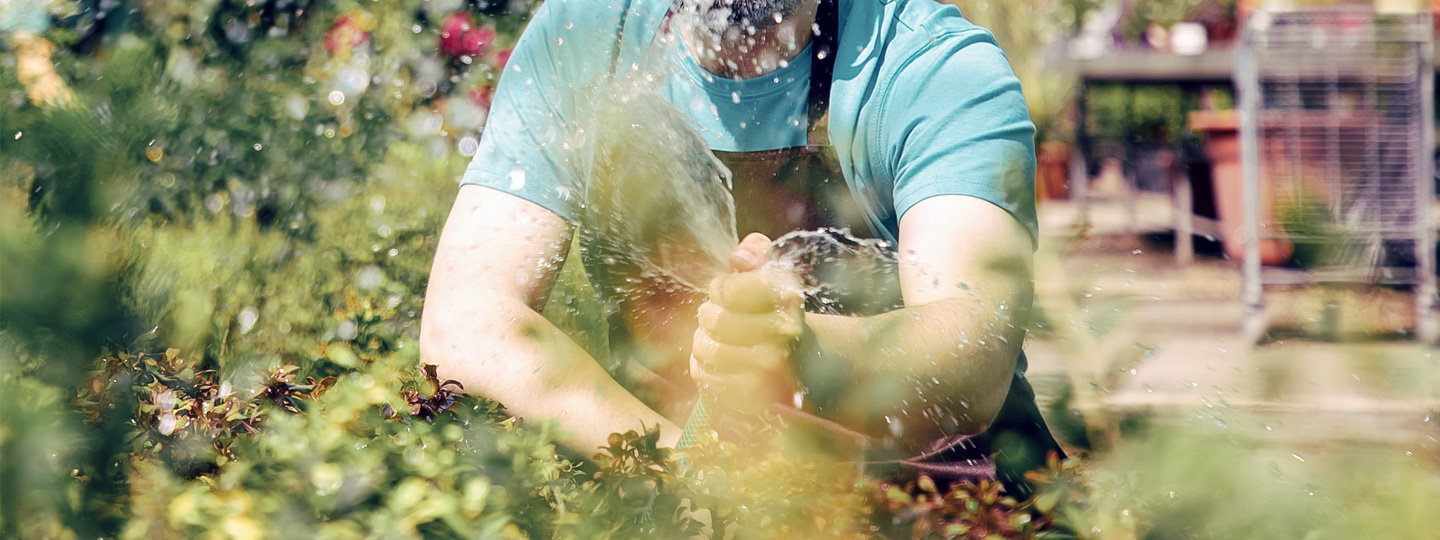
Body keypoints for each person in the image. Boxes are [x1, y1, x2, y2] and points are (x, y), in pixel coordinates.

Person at [420, 0, 1061, 493]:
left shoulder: (932, 65)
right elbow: (466, 326)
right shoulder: (585, 38)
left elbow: (972, 355)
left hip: (939, 498)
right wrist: (688, 467)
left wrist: (801, 349)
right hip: (680, 481)